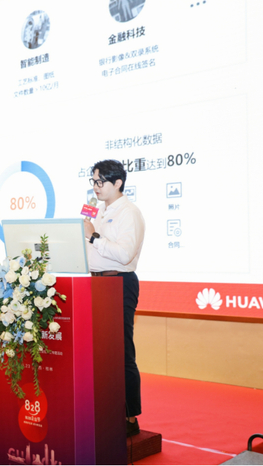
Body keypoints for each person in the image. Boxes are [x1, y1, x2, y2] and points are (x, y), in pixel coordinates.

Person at [82, 159, 145, 437]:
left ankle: (130, 418)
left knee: (121, 353)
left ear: (117, 183)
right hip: (96, 284)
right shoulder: (99, 212)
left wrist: (93, 236)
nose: (95, 187)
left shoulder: (128, 213)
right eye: (93, 181)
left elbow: (124, 254)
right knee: (101, 354)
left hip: (119, 283)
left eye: (100, 181)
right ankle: (107, 411)